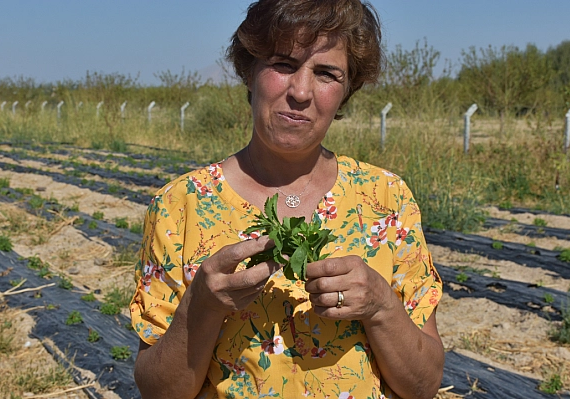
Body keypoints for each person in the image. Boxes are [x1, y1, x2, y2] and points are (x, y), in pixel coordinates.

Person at [130, 0, 444, 398]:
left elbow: (424, 385)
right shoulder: (181, 206)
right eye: (283, 64)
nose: (300, 91)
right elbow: (158, 391)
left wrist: (381, 307)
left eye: (327, 73)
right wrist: (203, 306)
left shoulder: (386, 199)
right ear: (250, 72)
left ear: (347, 91)